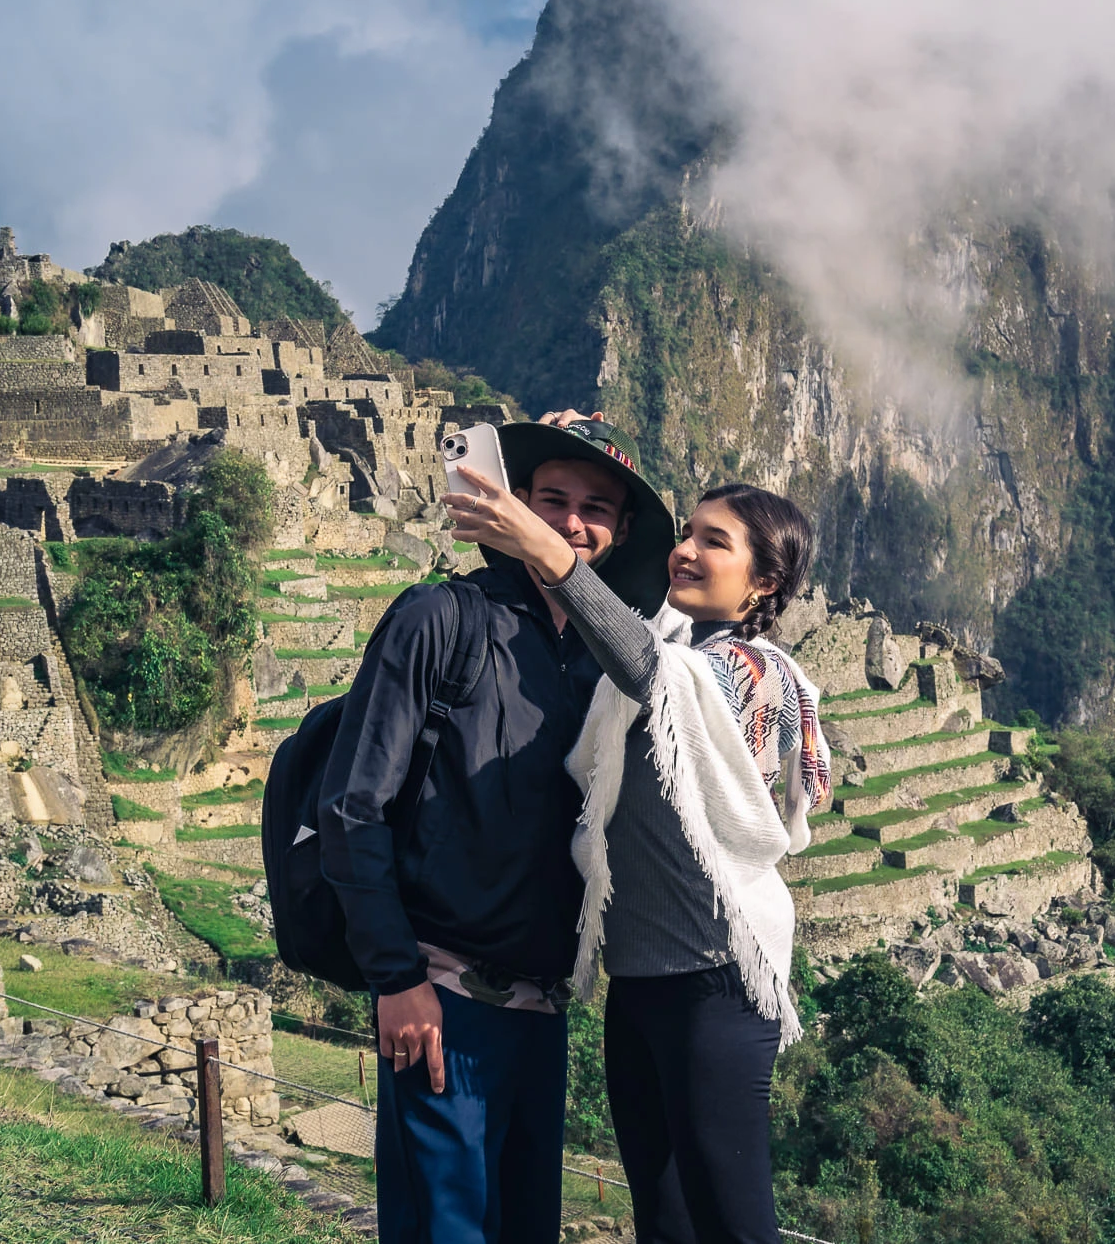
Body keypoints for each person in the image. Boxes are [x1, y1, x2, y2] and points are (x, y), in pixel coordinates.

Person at [447, 448, 831, 1244]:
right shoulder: (674, 649)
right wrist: (560, 455)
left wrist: (547, 546)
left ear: (764, 582)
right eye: (686, 532)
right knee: (665, 1224)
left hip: (716, 986)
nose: (685, 550)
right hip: (640, 989)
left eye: (714, 541)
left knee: (734, 1227)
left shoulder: (748, 672)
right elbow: (626, 637)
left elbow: (650, 670)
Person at [320, 416, 675, 1242]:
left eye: (596, 508)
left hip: (542, 1015)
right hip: (442, 1002)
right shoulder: (441, 620)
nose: (572, 522)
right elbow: (353, 806)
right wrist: (396, 979)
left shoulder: (604, 668)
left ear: (622, 531)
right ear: (515, 503)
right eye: (552, 499)